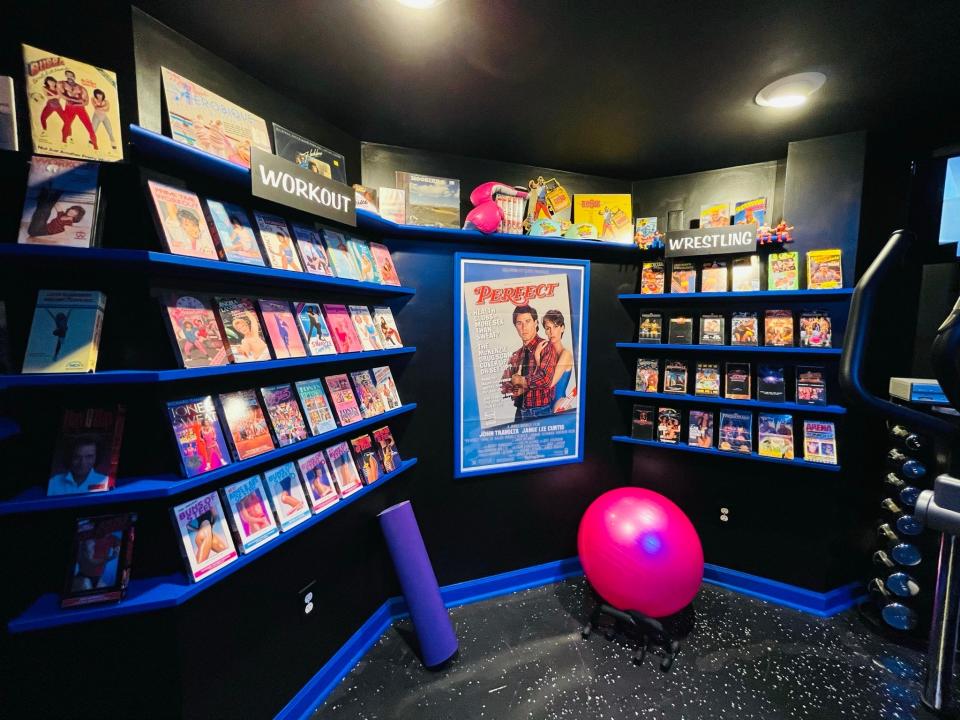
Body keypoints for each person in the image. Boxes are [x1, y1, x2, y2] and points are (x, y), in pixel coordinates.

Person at [500, 305, 558, 421]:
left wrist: (521, 381)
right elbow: (503, 385)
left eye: (527, 321)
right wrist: (515, 388)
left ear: (536, 323)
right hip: (519, 412)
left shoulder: (546, 347)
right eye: (519, 323)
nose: (523, 327)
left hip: (540, 411)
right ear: (515, 326)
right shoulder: (516, 355)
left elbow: (546, 380)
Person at [539, 309, 576, 412]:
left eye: (555, 327)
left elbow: (548, 384)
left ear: (562, 328)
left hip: (559, 406)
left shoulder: (566, 354)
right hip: (544, 407)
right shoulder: (546, 353)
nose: (551, 332)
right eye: (548, 328)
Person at [59, 70, 97, 149]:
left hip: (80, 109)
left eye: (71, 76)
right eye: (67, 75)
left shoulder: (81, 88)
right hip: (69, 108)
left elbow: (86, 102)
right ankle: (64, 141)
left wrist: (77, 102)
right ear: (66, 76)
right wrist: (78, 101)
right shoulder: (62, 84)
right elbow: (62, 96)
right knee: (66, 124)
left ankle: (95, 146)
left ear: (74, 77)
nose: (69, 77)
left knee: (89, 126)